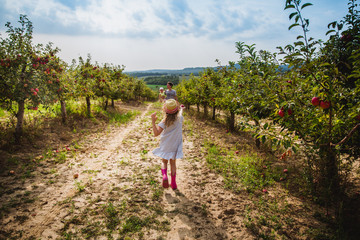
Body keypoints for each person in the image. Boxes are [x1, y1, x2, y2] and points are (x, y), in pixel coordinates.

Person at [151, 99, 183, 190]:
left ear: (165, 110)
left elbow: (156, 133)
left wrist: (153, 122)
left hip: (165, 145)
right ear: (176, 110)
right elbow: (180, 112)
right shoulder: (180, 119)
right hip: (175, 145)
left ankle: (164, 176)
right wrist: (181, 108)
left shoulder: (164, 121)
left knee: (164, 161)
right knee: (173, 163)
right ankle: (173, 183)